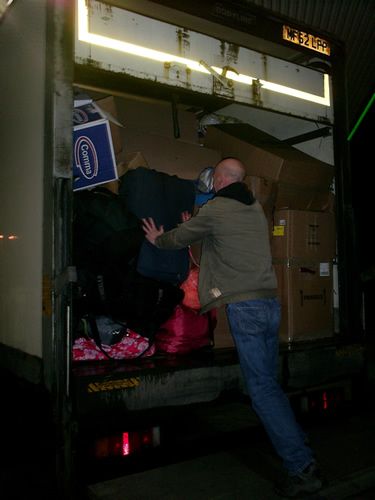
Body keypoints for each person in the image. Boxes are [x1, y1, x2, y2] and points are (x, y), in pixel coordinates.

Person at [142, 157, 322, 497]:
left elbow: (179, 239)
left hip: (247, 309)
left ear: (220, 180)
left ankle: (302, 467)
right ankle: (295, 440)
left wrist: (158, 239)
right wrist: (198, 223)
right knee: (269, 384)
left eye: (213, 178)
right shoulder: (252, 208)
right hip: (269, 303)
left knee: (262, 391)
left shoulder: (217, 208)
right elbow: (222, 241)